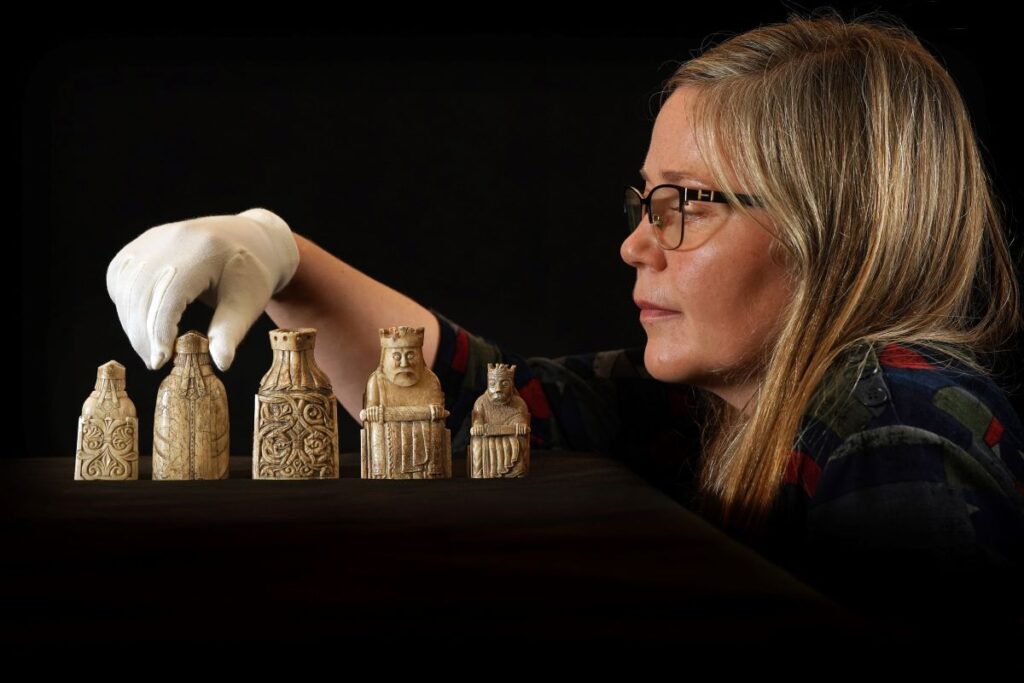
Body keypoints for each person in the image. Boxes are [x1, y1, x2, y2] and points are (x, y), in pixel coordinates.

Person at [105, 10, 1024, 642]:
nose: (636, 244)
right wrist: (283, 255)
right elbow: (464, 404)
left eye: (685, 204)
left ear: (835, 226)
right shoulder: (708, 405)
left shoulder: (900, 426)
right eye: (644, 200)